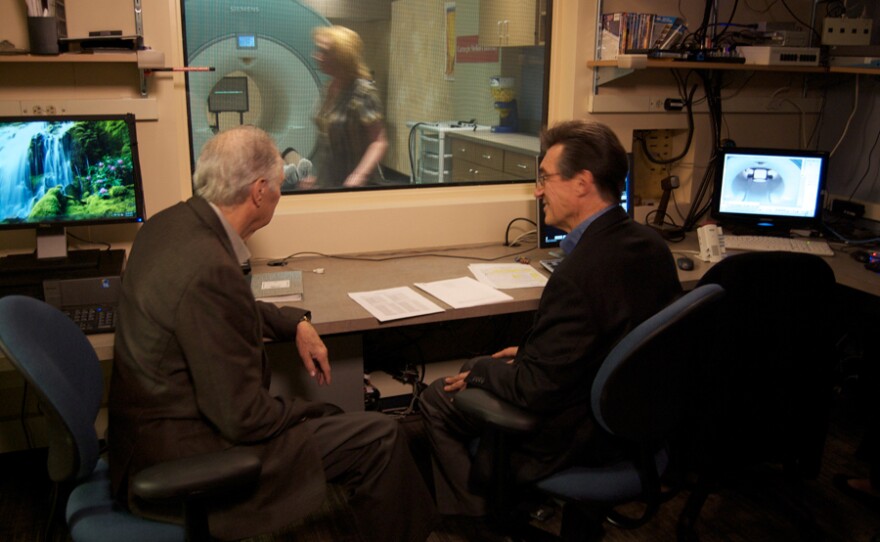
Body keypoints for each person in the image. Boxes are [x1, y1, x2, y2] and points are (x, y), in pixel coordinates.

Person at [108, 125, 436, 541]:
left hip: (140, 439)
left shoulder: (168, 226)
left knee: (347, 423)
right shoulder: (211, 268)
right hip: (187, 454)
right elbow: (244, 419)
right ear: (260, 191)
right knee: (381, 435)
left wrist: (293, 321)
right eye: (280, 186)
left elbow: (214, 310)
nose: (280, 195)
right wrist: (310, 410)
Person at [419, 120, 683, 517]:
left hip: (581, 436)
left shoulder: (577, 275)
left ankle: (492, 521)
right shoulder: (651, 245)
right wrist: (530, 352)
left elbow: (532, 390)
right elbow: (610, 339)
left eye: (544, 178)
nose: (538, 190)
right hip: (638, 426)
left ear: (582, 183)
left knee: (436, 398)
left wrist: (480, 367)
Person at [300, 25, 388, 189]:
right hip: (330, 183)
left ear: (341, 56)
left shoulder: (362, 92)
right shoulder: (329, 88)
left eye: (324, 52)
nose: (316, 56)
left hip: (355, 187)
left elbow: (378, 142)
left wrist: (358, 176)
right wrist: (319, 179)